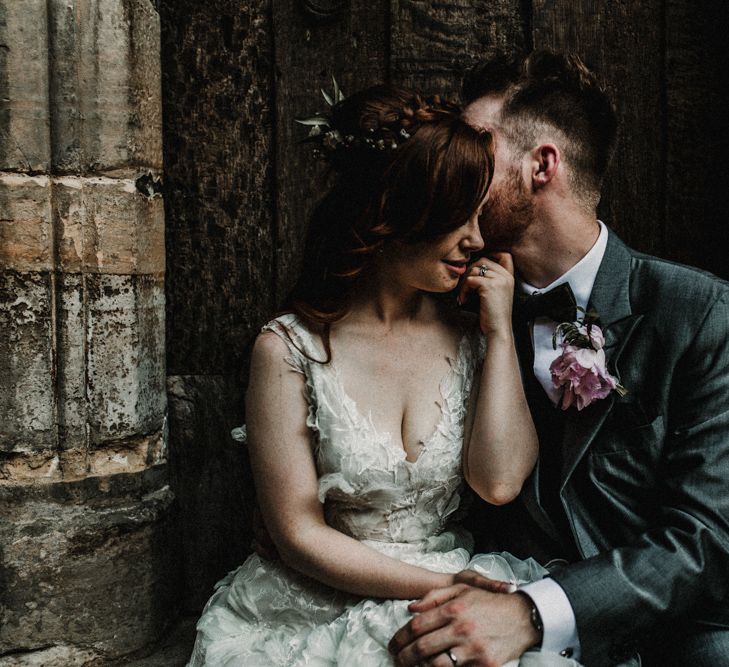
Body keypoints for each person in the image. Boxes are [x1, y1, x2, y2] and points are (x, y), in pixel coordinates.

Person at [187, 85, 581, 666]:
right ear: (393, 213)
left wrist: (498, 336)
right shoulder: (288, 349)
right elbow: (297, 534)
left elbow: (498, 483)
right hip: (315, 603)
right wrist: (439, 590)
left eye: (479, 216)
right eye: (458, 218)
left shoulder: (471, 335)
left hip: (454, 580)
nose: (476, 240)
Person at [389, 50, 729, 667]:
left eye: (477, 152)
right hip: (485, 608)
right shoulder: (455, 312)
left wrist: (531, 614)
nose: (455, 169)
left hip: (669, 642)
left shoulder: (701, 312)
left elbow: (705, 540)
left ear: (542, 165)